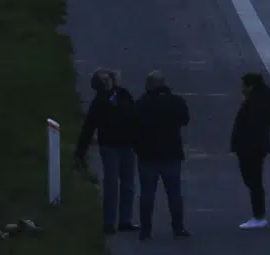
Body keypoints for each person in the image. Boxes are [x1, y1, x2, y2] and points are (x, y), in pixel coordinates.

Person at [74, 69, 139, 235]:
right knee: (111, 184)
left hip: (127, 145)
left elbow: (135, 116)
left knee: (128, 185)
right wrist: (80, 151)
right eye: (103, 79)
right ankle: (109, 222)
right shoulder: (99, 103)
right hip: (110, 147)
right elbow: (88, 128)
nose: (107, 81)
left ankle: (125, 220)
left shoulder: (123, 94)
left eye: (108, 78)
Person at [134, 70, 191, 240]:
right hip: (171, 153)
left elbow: (132, 123)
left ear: (149, 85)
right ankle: (178, 227)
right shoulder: (176, 101)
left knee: (147, 193)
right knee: (174, 193)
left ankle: (145, 230)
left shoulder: (142, 103)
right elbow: (185, 120)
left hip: (148, 154)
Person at [230, 73, 270, 230]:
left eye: (243, 85)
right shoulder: (259, 101)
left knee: (253, 181)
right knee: (253, 181)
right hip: (254, 147)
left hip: (251, 148)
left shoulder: (255, 104)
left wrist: (243, 144)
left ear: (250, 86)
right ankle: (258, 214)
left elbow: (252, 126)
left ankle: (258, 215)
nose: (241, 89)